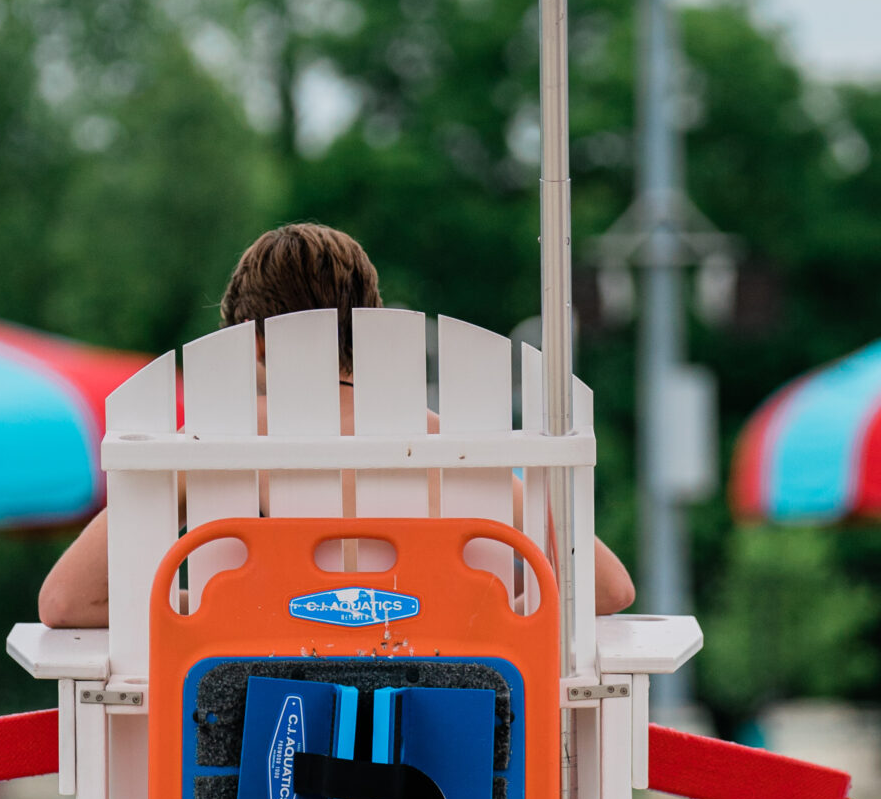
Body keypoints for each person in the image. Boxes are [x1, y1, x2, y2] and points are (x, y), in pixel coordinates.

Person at [40, 223, 636, 627]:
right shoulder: (447, 446)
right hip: (429, 747)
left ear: (247, 345)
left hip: (256, 751)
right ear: (374, 325)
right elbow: (608, 590)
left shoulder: (208, 449)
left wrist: (234, 605)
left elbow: (66, 602)